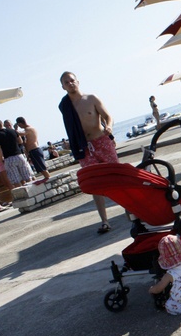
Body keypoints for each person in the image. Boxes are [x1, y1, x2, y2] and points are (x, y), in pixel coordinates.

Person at [58, 71, 118, 234]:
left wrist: (109, 127)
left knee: (117, 176)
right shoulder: (65, 106)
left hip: (102, 142)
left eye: (72, 80)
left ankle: (132, 209)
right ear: (63, 87)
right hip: (83, 147)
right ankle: (105, 221)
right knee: (95, 184)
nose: (70, 83)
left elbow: (107, 116)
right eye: (66, 82)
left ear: (78, 81)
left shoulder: (91, 98)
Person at [0, 119, 32, 189]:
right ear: (2, 124)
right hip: (19, 155)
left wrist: (1, 159)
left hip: (9, 158)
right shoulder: (12, 131)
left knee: (16, 180)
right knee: (27, 176)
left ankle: (23, 194)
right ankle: (33, 191)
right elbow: (20, 141)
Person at [15, 117, 51, 183]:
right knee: (39, 166)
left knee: (41, 167)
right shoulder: (29, 129)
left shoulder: (29, 129)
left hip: (34, 150)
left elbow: (19, 133)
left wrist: (15, 129)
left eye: (19, 125)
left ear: (20, 123)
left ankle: (47, 177)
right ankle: (46, 177)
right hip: (33, 150)